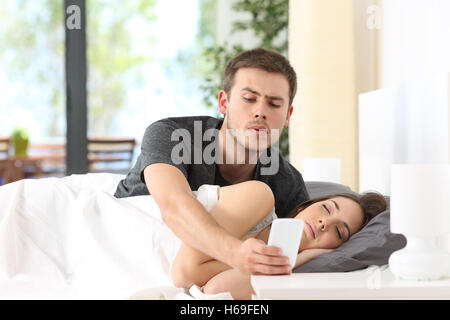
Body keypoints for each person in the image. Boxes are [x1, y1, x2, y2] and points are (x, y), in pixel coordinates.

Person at [114, 48, 310, 276]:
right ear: (224, 103)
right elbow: (173, 205)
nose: (260, 112)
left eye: (274, 104)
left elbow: (304, 243)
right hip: (120, 243)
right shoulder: (172, 135)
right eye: (249, 99)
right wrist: (236, 254)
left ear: (287, 116)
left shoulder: (288, 183)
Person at [170, 180, 387, 299]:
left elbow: (215, 290)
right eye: (326, 208)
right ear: (304, 206)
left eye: (339, 232)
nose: (324, 223)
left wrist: (296, 260)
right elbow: (183, 274)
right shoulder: (259, 196)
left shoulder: (284, 270)